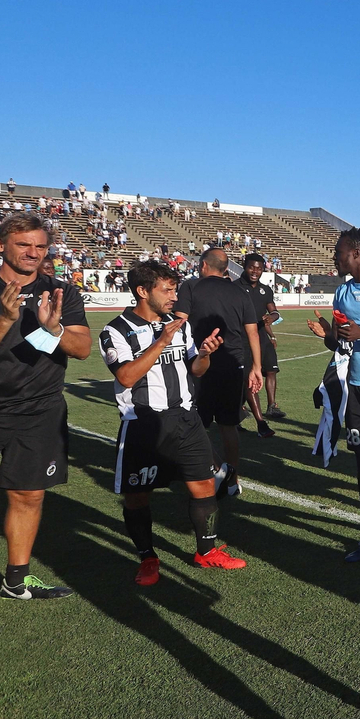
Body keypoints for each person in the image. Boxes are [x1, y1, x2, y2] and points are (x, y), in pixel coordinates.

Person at [101, 261, 243, 585]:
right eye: (167, 289)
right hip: (144, 424)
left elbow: (196, 370)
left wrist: (205, 353)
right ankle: (148, 557)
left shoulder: (179, 325)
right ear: (142, 291)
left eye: (175, 289)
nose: (174, 296)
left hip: (186, 418)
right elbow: (125, 376)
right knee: (138, 496)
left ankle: (206, 552)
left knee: (204, 485)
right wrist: (161, 342)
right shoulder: (115, 331)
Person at [0, 213, 91, 599]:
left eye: (40, 246)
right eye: (24, 244)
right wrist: (4, 318)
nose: (33, 252)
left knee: (28, 495)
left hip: (40, 411)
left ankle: (16, 579)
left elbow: (81, 349)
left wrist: (53, 329)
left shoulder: (61, 292)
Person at [308, 227, 360, 562]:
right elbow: (339, 344)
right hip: (356, 390)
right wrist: (328, 334)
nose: (334, 258)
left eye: (338, 252)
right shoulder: (342, 294)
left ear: (356, 253)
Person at [175, 247, 263, 497]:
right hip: (233, 364)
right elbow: (252, 331)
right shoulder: (240, 291)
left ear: (203, 266)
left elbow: (179, 322)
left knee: (195, 423)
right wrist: (256, 367)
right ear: (226, 269)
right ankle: (233, 480)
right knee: (228, 424)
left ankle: (214, 470)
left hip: (200, 362)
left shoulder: (190, 287)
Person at [237, 253, 283, 434]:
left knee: (271, 370)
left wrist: (272, 317)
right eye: (251, 267)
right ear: (244, 266)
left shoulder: (266, 290)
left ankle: (271, 405)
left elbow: (275, 311)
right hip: (243, 339)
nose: (255, 271)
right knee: (248, 378)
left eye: (259, 268)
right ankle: (259, 423)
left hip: (262, 338)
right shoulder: (235, 288)